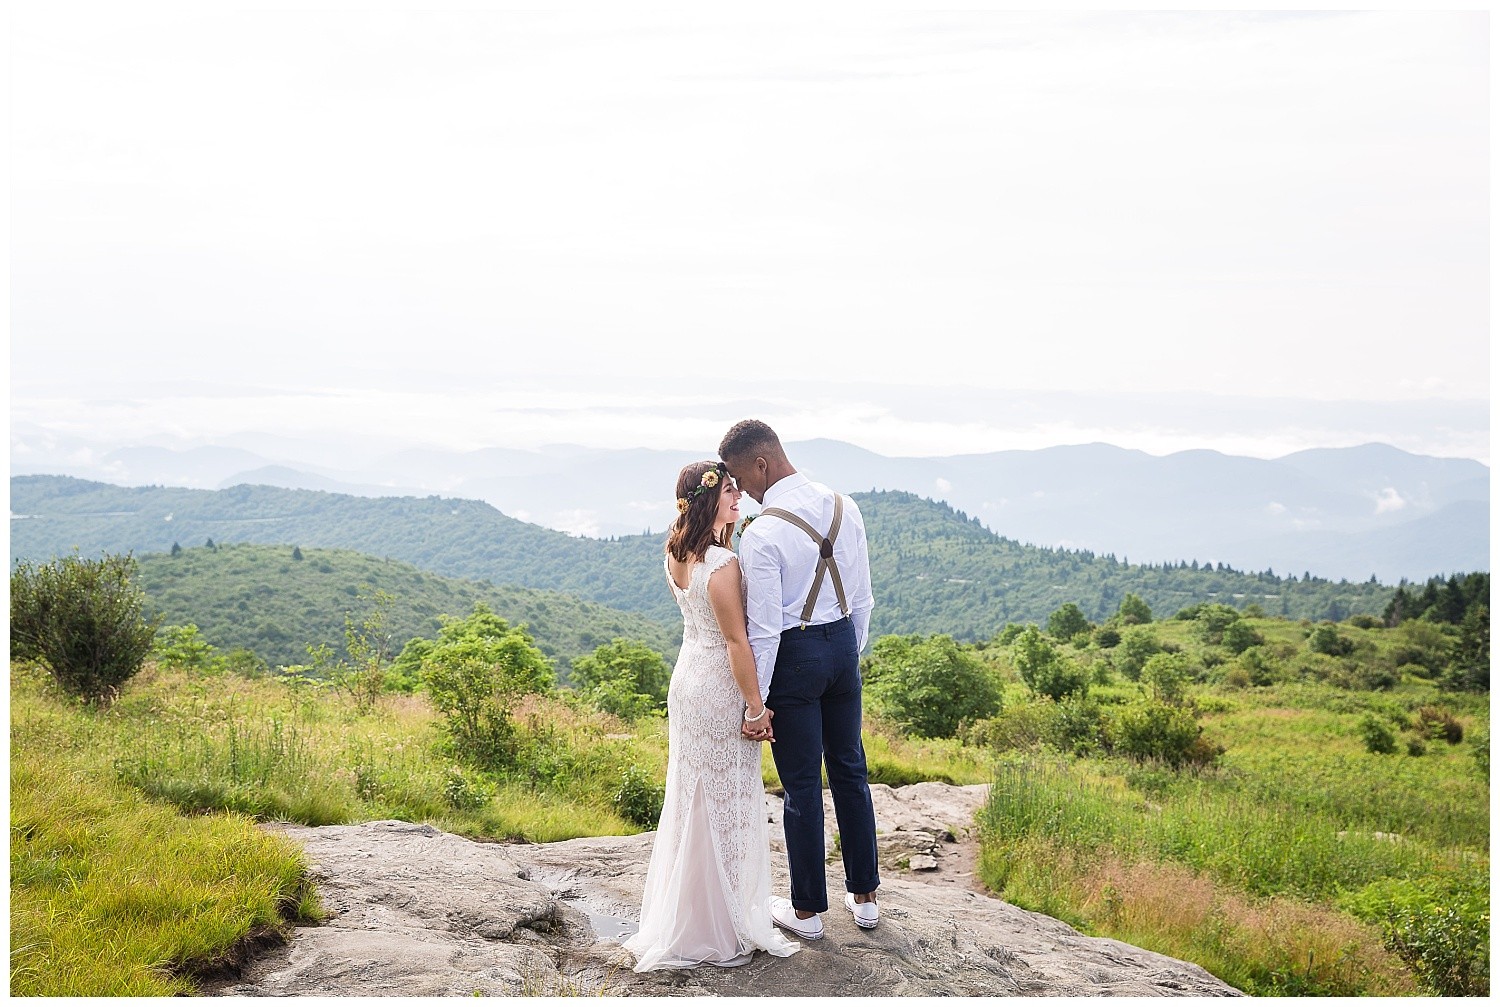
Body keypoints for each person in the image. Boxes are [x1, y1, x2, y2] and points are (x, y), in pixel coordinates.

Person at [623, 460, 802, 971]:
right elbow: (736, 641)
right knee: (722, 799)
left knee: (693, 796)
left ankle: (692, 910)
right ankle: (717, 921)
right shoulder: (722, 564)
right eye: (729, 492)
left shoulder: (676, 553)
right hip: (719, 689)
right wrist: (755, 707)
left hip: (686, 681)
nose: (738, 498)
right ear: (708, 500)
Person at [718, 419, 880, 941]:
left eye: (742, 479)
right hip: (841, 646)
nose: (742, 492)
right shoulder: (843, 505)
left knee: (802, 785)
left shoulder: (762, 533)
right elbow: (863, 597)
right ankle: (866, 900)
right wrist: (846, 655)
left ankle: (807, 913)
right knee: (851, 771)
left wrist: (755, 705)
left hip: (795, 656)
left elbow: (763, 632)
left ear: (762, 463)